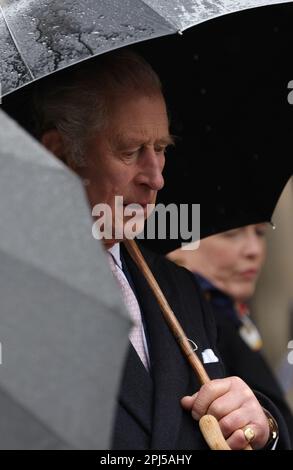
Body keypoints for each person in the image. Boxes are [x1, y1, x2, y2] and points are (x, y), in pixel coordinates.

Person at [22, 49, 290, 449]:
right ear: (59, 153)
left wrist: (259, 425)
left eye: (161, 148)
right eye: (130, 151)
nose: (155, 179)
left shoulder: (178, 287)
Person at [168, 223, 293, 443]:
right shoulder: (195, 326)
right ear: (178, 245)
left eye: (260, 233)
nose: (253, 250)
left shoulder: (231, 315)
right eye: (230, 233)